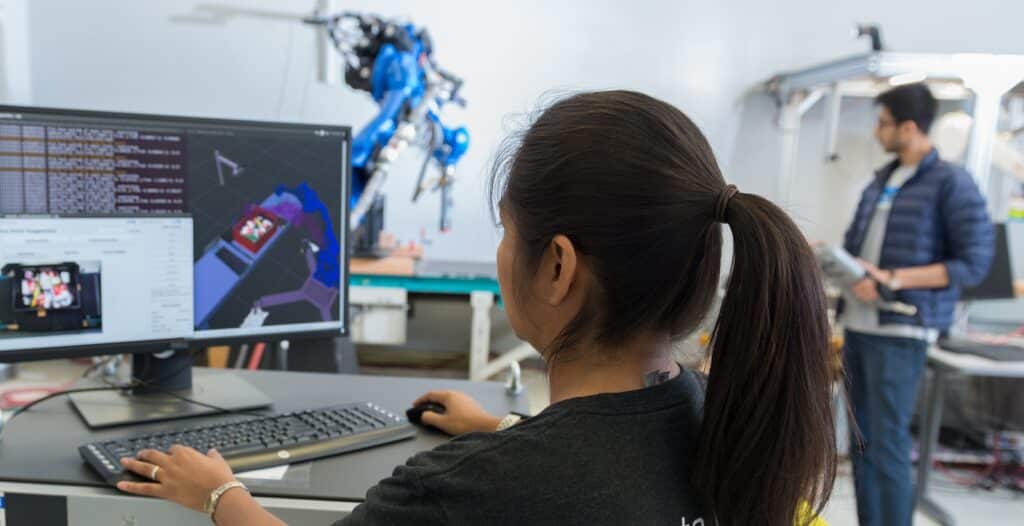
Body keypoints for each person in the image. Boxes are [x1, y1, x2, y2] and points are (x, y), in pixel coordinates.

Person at [115, 90, 837, 525]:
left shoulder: (466, 490)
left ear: (557, 267)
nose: (501, 254)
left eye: (505, 232)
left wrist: (219, 494)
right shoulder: (735, 420)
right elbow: (608, 461)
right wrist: (507, 428)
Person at [840, 83, 994, 526]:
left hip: (902, 331)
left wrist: (894, 280)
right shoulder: (880, 182)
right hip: (860, 324)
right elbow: (858, 248)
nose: (876, 132)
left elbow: (973, 262)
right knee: (862, 443)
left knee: (885, 443)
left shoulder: (951, 183)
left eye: (883, 123)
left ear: (909, 127)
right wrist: (841, 267)